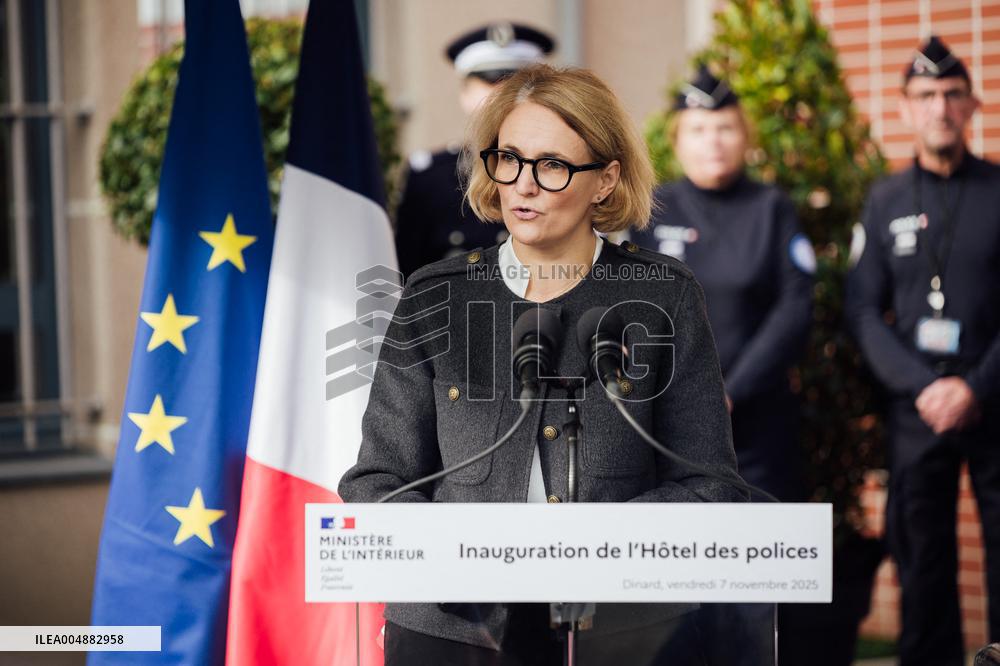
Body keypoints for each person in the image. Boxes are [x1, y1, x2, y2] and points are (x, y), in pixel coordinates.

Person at [340, 64, 749, 665]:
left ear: (605, 180)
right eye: (509, 159)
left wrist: (589, 545)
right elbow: (376, 482)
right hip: (454, 631)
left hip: (620, 631)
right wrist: (463, 555)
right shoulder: (436, 296)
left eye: (553, 166)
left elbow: (712, 486)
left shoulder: (663, 297)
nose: (524, 185)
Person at [847, 36, 1000, 666]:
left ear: (971, 106)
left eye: (951, 94)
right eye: (925, 96)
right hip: (917, 410)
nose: (939, 107)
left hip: (994, 401)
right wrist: (922, 386)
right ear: (907, 109)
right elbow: (861, 309)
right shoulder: (884, 201)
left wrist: (975, 388)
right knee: (924, 564)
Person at [631, 65, 814, 502]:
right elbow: (630, 307)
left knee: (764, 549)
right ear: (676, 141)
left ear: (745, 137)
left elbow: (794, 308)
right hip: (669, 421)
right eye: (698, 129)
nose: (713, 140)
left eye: (725, 128)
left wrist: (728, 394)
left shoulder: (771, 207)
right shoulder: (652, 211)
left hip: (757, 418)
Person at [393, 22, 556, 278]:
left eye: (515, 83)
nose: (502, 93)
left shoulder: (563, 168)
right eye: (489, 81)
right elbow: (409, 275)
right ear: (465, 94)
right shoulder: (429, 177)